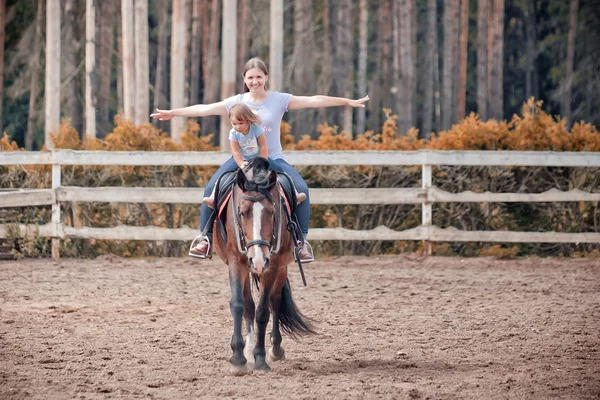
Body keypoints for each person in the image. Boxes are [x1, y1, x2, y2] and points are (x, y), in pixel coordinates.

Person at [150, 57, 369, 262]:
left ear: (266, 78)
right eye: (250, 77)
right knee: (210, 189)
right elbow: (204, 109)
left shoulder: (279, 100)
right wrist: (173, 113)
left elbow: (312, 100)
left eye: (259, 77)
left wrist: (346, 102)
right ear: (244, 79)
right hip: (242, 161)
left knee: (301, 187)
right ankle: (205, 238)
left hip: (271, 159)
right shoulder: (236, 102)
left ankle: (301, 242)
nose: (255, 81)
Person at [201, 103, 306, 208]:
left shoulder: (256, 129)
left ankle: (295, 195)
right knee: (222, 176)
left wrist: (263, 162)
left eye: (240, 123)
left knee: (282, 171)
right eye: (234, 123)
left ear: (248, 120)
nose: (237, 126)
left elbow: (264, 146)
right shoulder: (233, 133)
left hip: (259, 158)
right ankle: (213, 197)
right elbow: (236, 152)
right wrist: (241, 164)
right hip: (241, 160)